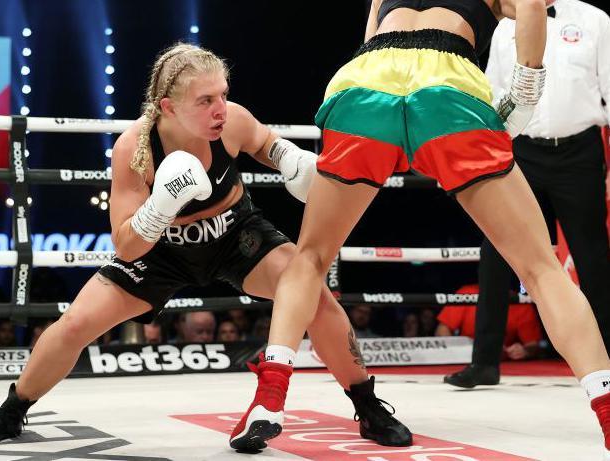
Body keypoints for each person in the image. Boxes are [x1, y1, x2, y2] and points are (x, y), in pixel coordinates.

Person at [0, 42, 410, 447]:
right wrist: (160, 205)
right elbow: (126, 245)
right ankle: (12, 412)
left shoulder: (232, 121)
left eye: (223, 94)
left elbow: (265, 143)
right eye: (206, 100)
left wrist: (290, 159)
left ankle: (368, 407)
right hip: (160, 252)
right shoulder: (134, 149)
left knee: (316, 297)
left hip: (236, 235)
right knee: (76, 323)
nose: (220, 109)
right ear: (168, 107)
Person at [232, 0, 610, 456]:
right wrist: (526, 92)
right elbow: (531, 5)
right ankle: (608, 416)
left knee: (310, 257)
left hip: (363, 84)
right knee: (541, 270)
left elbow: (369, 39)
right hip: (446, 86)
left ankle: (268, 399)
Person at [445, 0, 610, 389]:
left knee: (593, 258)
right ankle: (484, 361)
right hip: (521, 150)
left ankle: (605, 362)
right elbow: (490, 96)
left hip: (580, 152)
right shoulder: (504, 25)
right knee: (497, 251)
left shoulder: (594, 20)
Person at [436, 284, 542, 365]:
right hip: (467, 360)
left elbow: (533, 345)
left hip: (502, 363)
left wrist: (524, 351)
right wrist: (457, 352)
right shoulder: (467, 293)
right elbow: (442, 330)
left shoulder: (519, 303)